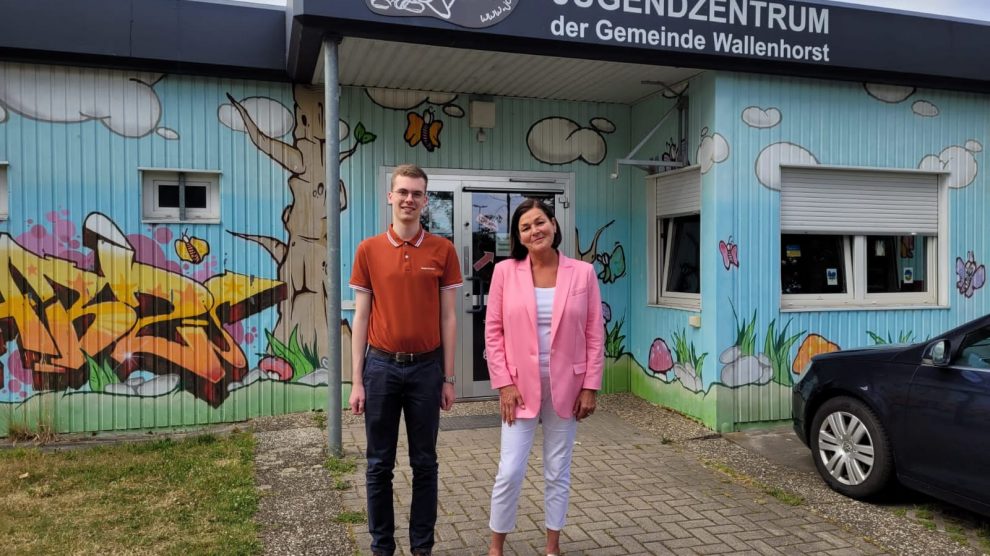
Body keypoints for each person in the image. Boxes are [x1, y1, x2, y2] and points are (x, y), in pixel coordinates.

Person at [348, 164, 462, 556]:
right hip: (380, 367)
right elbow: (360, 316)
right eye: (403, 192)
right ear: (390, 196)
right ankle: (382, 547)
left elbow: (449, 316)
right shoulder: (368, 250)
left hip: (427, 369)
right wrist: (357, 381)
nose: (409, 199)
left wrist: (449, 377)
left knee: (425, 464)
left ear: (425, 200)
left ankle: (421, 548)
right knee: (379, 464)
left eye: (416, 193)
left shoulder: (443, 250)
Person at [484, 198, 604, 556]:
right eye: (525, 227)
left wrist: (591, 387)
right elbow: (493, 331)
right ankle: (496, 548)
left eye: (540, 222)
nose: (534, 230)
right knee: (509, 471)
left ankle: (553, 547)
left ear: (553, 224)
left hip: (567, 386)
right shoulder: (505, 272)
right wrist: (503, 383)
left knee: (557, 470)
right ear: (518, 237)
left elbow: (595, 332)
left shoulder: (582, 272)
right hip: (519, 387)